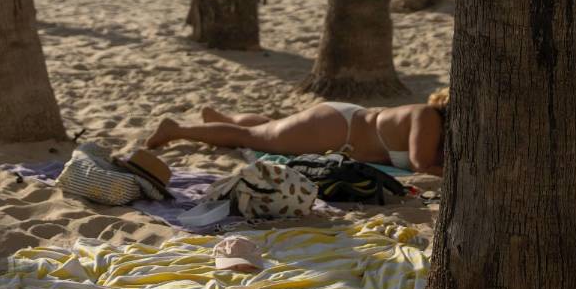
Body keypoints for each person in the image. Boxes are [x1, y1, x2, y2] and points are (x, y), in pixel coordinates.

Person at [146, 91, 447, 175]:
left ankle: (221, 118)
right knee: (250, 138)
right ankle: (177, 129)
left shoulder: (441, 129)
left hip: (337, 129)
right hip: (337, 129)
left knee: (267, 129)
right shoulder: (428, 116)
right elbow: (421, 165)